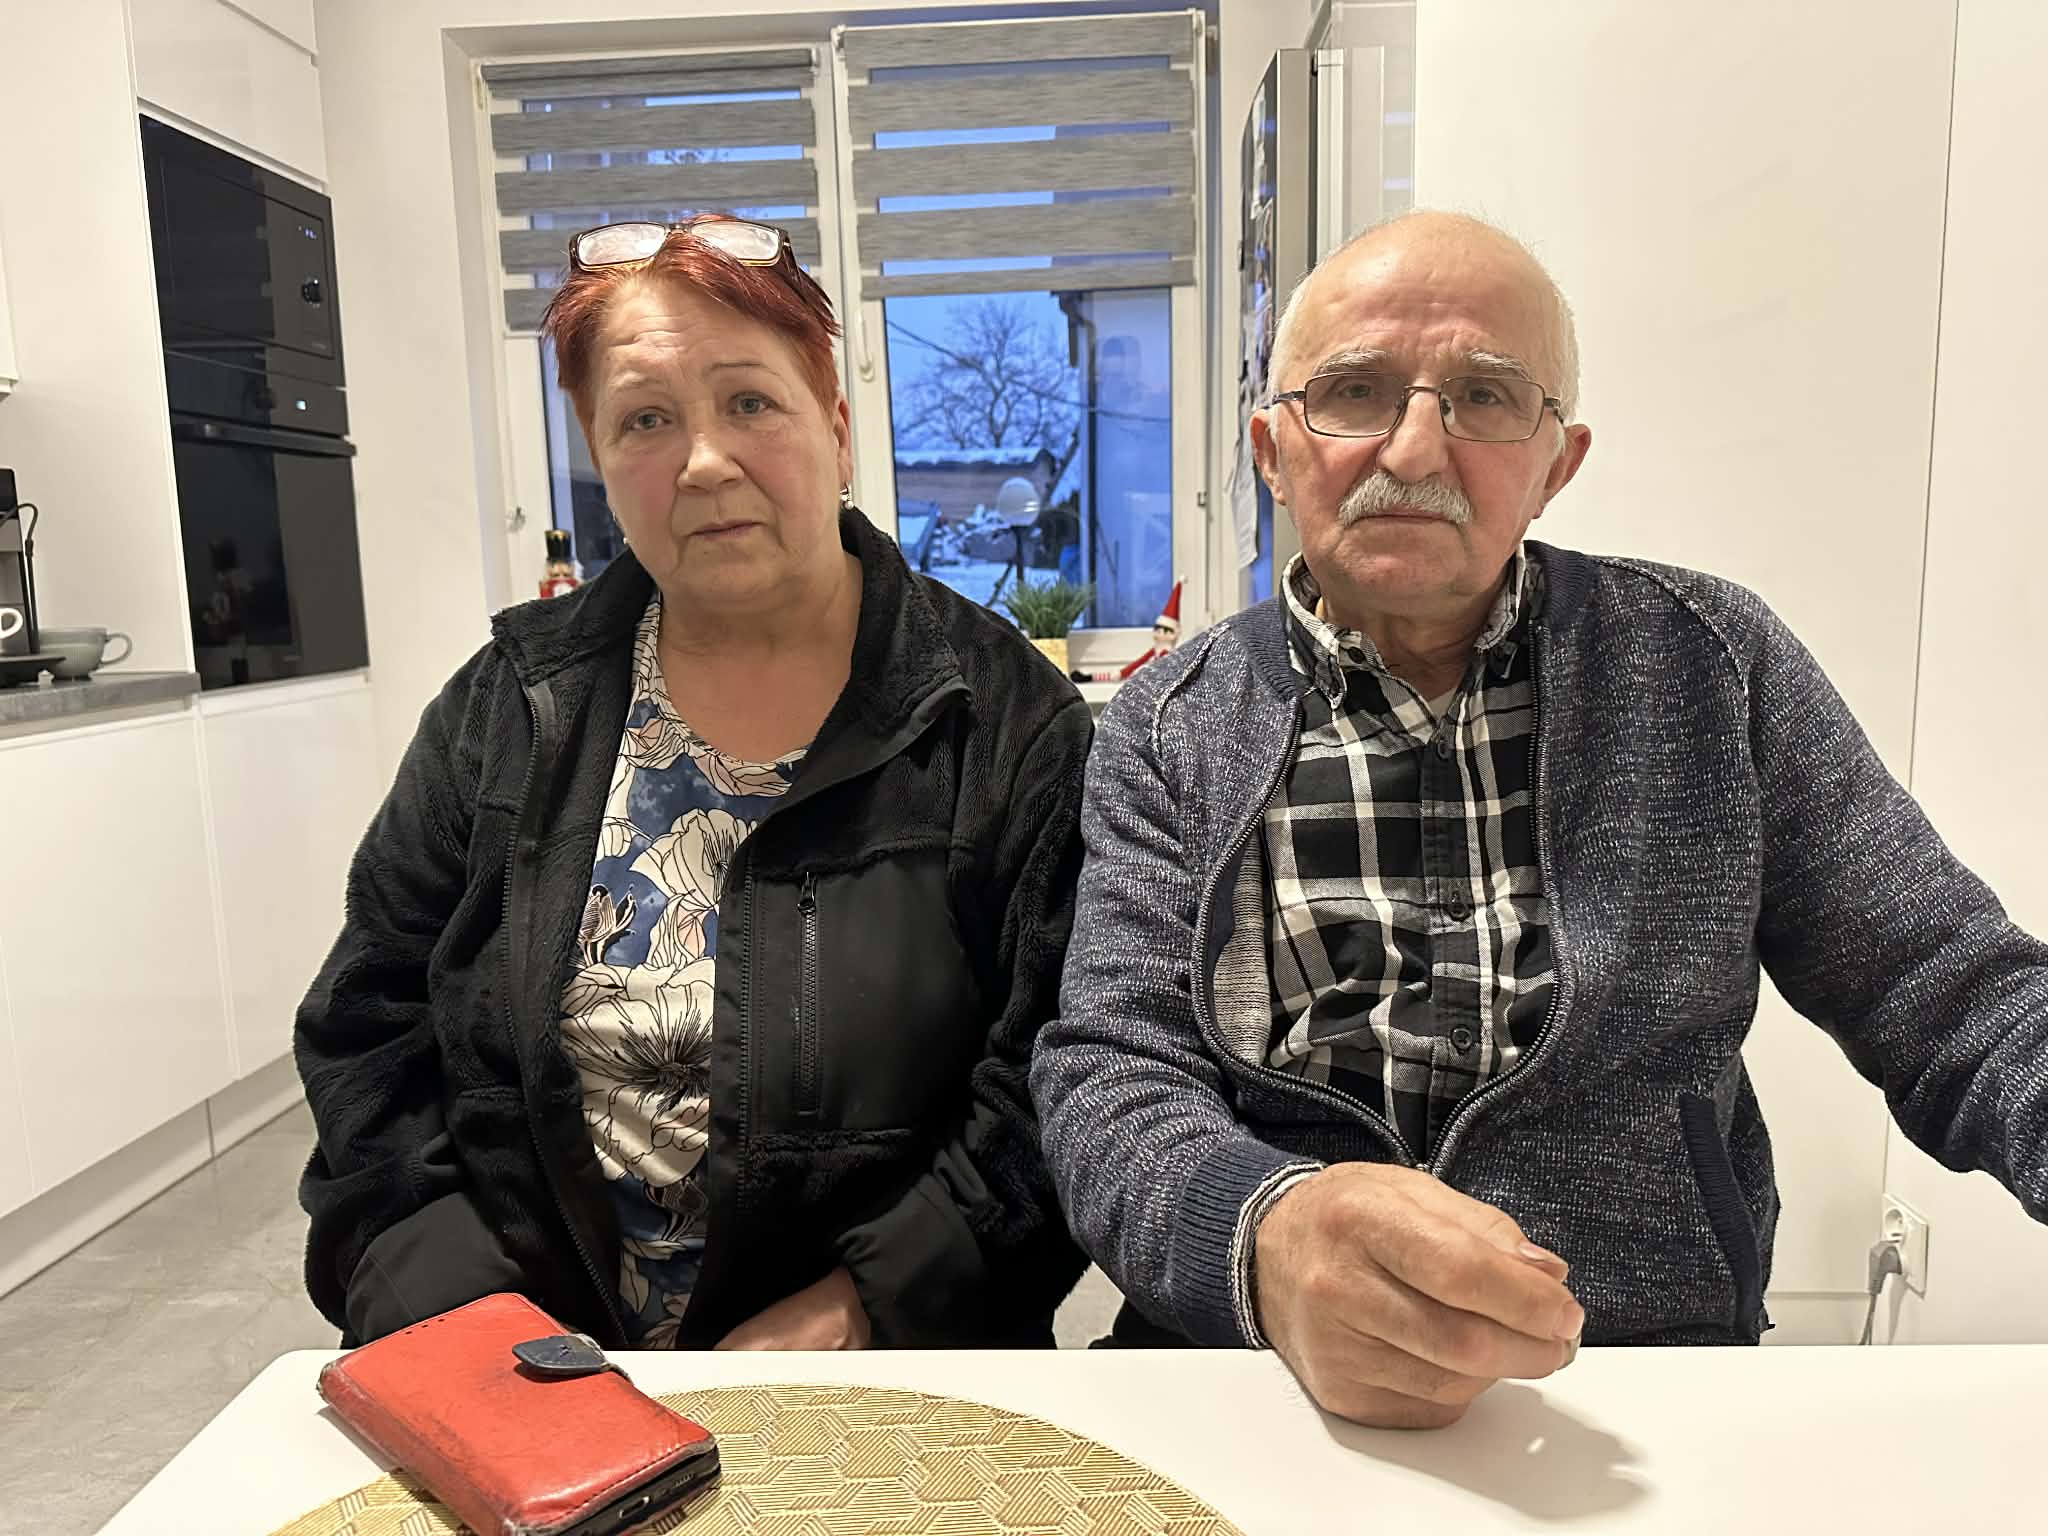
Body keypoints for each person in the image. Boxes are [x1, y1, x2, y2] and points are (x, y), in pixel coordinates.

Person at [1031, 210, 2048, 1427]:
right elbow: (1112, 1074)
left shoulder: (1711, 665)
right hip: (1255, 1377)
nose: (1414, 446)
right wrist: (1260, 1235)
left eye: (1482, 397)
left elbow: (1948, 991)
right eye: (1353, 392)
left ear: (1555, 464)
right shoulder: (1167, 724)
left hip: (1638, 1380)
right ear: (1272, 450)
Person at [298, 214, 1092, 1351]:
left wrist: (862, 1310)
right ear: (598, 454)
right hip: (522, 1366)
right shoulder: (509, 706)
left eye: (750, 402)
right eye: (646, 420)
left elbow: (1056, 1080)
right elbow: (368, 1028)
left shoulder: (1004, 723)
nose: (704, 461)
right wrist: (455, 1310)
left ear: (836, 429)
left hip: (881, 1381)